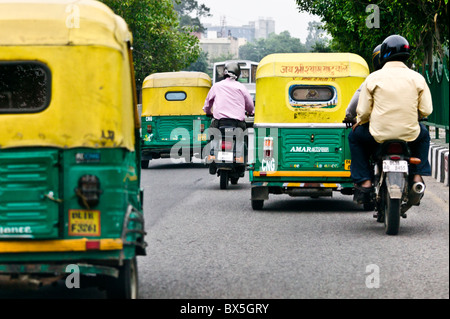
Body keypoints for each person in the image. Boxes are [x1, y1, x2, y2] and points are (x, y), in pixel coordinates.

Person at [348, 35, 433, 204]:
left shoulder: (373, 78)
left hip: (377, 135)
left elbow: (363, 112)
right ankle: (417, 177)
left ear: (383, 55)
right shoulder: (417, 78)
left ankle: (365, 180)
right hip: (410, 134)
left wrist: (360, 122)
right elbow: (426, 110)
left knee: (354, 137)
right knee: (424, 134)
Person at [203, 61, 254, 131]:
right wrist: (250, 112)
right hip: (238, 124)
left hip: (219, 123)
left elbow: (208, 103)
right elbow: (250, 105)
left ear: (224, 73)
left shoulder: (216, 86)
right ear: (238, 74)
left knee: (211, 138)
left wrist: (208, 112)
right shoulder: (241, 87)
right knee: (243, 140)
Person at [343, 44, 382, 127]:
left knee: (352, 136)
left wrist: (350, 117)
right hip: (408, 132)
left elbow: (361, 111)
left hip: (378, 130)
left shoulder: (371, 80)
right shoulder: (412, 78)